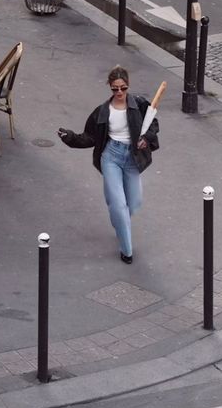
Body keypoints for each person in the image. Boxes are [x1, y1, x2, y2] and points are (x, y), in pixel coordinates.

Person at [58, 65, 159, 264]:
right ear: (110, 88)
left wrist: (146, 138)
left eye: (123, 88)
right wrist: (69, 137)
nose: (119, 92)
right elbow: (89, 137)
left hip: (132, 157)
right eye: (115, 88)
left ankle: (118, 221)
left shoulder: (138, 104)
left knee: (135, 202)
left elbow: (153, 123)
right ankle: (126, 249)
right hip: (111, 157)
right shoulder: (103, 111)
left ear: (128, 85)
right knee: (119, 205)